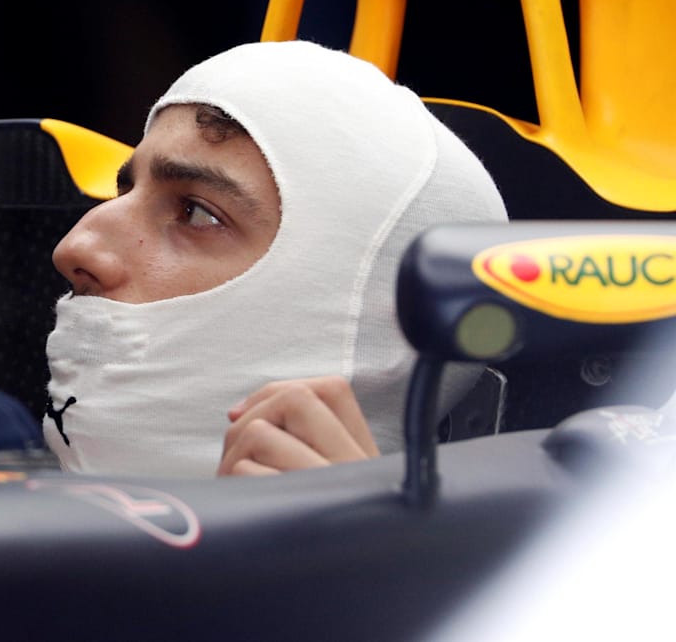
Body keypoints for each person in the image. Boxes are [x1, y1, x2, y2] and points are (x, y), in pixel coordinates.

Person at [41, 39, 508, 478]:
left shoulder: (520, 565)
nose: (74, 248)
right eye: (124, 190)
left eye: (196, 212)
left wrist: (345, 558)